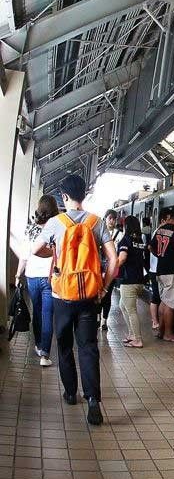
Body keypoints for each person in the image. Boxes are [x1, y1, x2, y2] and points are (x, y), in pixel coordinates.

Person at [32, 174, 116, 426]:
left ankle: (70, 392)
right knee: (89, 348)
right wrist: (103, 288)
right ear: (84, 195)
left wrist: (54, 251)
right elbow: (113, 259)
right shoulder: (96, 222)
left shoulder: (55, 223)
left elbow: (36, 250)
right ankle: (93, 402)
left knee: (65, 346)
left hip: (61, 296)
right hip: (89, 296)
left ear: (64, 196)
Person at [15, 195, 60, 366]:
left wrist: (18, 275)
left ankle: (38, 345)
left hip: (32, 277)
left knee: (37, 312)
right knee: (48, 314)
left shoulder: (30, 229)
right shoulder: (57, 228)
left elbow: (24, 256)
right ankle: (45, 355)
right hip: (50, 277)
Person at [150, 205, 174, 343]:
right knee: (171, 305)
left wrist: (162, 256)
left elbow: (151, 247)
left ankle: (161, 331)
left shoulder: (160, 229)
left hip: (160, 271)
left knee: (164, 302)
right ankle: (168, 333)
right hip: (173, 272)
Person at [117, 216, 148, 348]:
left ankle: (138, 339)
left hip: (129, 279)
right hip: (139, 279)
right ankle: (132, 334)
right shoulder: (139, 240)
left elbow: (122, 258)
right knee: (122, 306)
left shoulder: (126, 240)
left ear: (126, 226)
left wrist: (112, 267)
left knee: (131, 310)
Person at [147, 209, 169, 333]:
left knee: (160, 296)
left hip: (157, 269)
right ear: (163, 220)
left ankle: (158, 321)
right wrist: (159, 255)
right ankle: (155, 321)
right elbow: (150, 247)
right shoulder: (159, 232)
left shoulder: (161, 232)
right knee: (156, 296)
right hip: (155, 269)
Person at [99, 209, 121, 331]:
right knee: (97, 293)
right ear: (105, 219)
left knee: (107, 295)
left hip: (111, 270)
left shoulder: (119, 234)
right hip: (99, 268)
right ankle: (98, 317)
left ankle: (104, 320)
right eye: (110, 218)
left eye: (114, 219)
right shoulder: (100, 232)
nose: (112, 221)